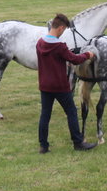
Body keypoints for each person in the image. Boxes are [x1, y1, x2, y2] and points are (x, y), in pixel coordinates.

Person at [36, 14, 97, 153]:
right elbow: (74, 59)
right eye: (63, 31)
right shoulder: (59, 46)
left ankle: (43, 146)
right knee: (71, 112)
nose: (63, 33)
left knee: (45, 115)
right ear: (61, 28)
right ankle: (78, 142)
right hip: (59, 86)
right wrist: (88, 55)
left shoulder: (40, 43)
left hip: (44, 85)